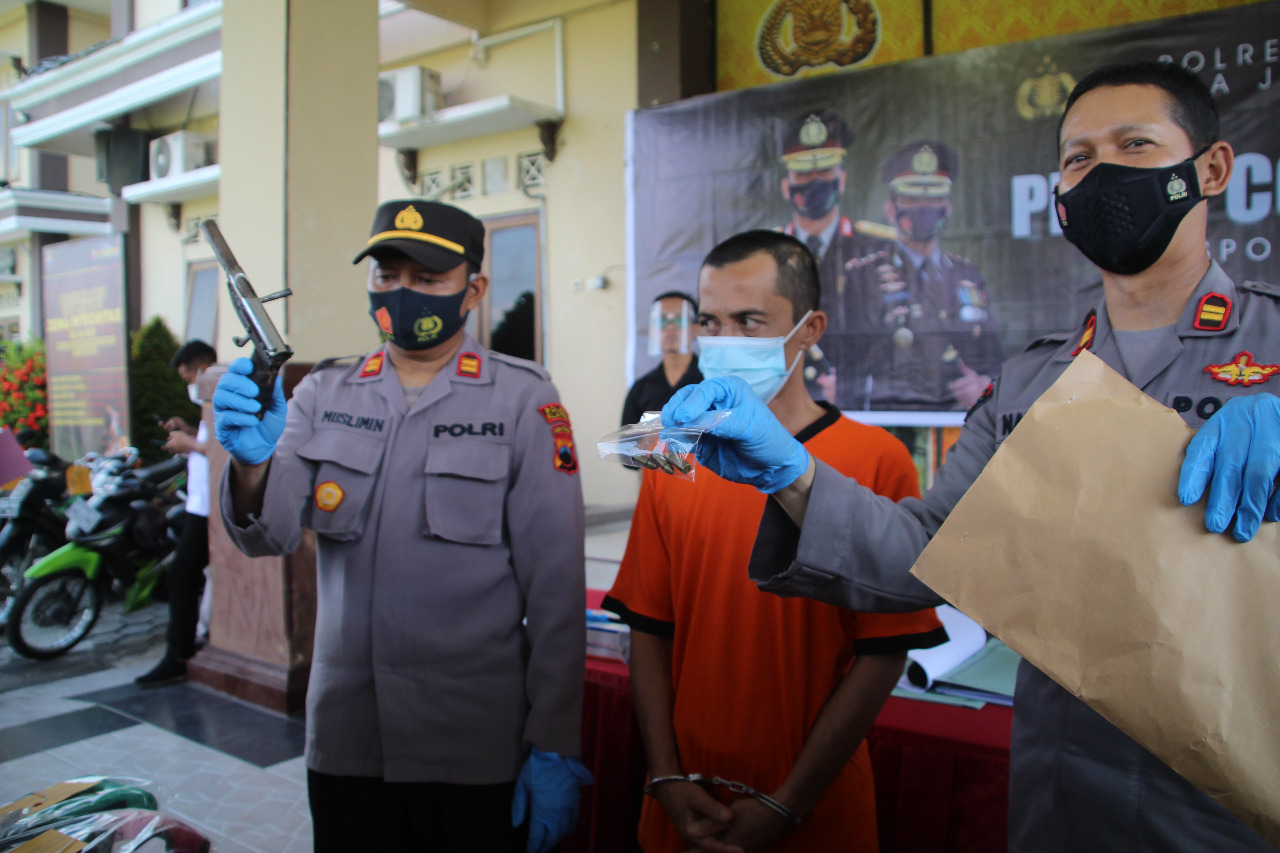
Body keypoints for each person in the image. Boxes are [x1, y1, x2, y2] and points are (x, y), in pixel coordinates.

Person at [662, 61, 1278, 850]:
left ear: (1211, 169)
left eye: (1135, 144)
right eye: (1078, 157)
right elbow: (928, 554)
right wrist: (795, 474)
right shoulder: (1033, 379)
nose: (1101, 173)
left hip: (1227, 803)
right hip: (1060, 793)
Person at [213, 200, 591, 853]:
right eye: (387, 274)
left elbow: (555, 588)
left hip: (474, 740)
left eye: (426, 277)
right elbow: (267, 534)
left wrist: (554, 740)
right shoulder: (323, 393)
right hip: (348, 738)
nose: (402, 292)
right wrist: (250, 462)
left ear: (473, 289)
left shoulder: (523, 397)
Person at [604, 231, 944, 853]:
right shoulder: (672, 453)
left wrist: (787, 804)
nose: (724, 341)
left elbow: (883, 652)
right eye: (710, 321)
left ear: (809, 329)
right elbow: (650, 627)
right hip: (683, 802)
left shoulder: (875, 459)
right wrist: (667, 776)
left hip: (815, 812)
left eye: (749, 321)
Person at [839, 141, 1003, 411]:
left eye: (934, 198)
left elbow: (994, 356)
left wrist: (984, 385)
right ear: (890, 209)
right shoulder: (863, 276)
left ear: (947, 208)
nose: (924, 207)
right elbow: (847, 363)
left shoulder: (968, 275)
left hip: (958, 424)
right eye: (912, 198)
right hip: (891, 421)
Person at [775, 109, 893, 403]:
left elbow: (894, 341)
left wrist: (853, 386)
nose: (815, 181)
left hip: (856, 407)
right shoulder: (766, 254)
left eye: (825, 171)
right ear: (786, 186)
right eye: (803, 172)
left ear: (842, 179)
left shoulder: (877, 250)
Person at [135, 339, 217, 687]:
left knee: (182, 576)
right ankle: (191, 641)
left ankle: (178, 654)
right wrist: (187, 432)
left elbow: (228, 446)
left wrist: (192, 445)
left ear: (202, 369)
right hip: (198, 502)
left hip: (211, 507)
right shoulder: (209, 400)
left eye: (188, 379)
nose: (189, 387)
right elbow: (209, 438)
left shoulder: (224, 392)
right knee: (185, 575)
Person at [621, 291, 703, 426]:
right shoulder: (640, 390)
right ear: (652, 329)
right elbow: (626, 443)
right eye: (662, 320)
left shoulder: (710, 380)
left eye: (680, 319)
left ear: (696, 328)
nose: (671, 327)